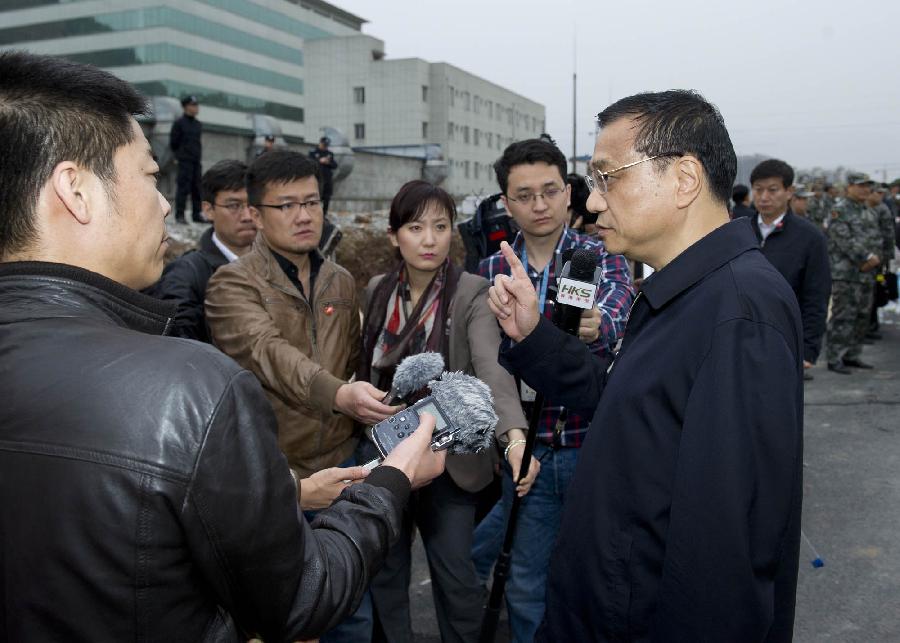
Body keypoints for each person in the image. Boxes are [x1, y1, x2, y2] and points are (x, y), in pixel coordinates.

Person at [0, 50, 445, 642]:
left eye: (313, 202)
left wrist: (293, 489)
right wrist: (392, 478)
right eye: (150, 175)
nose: (164, 203)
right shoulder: (187, 385)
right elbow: (300, 600)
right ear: (76, 191)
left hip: (317, 469)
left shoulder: (339, 279)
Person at [488, 90, 803, 641]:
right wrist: (535, 337)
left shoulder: (738, 310)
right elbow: (624, 406)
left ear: (683, 179)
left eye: (609, 177)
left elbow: (723, 552)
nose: (591, 202)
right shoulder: (683, 290)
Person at [204, 148, 395, 641]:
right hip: (274, 478)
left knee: (351, 608)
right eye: (286, 205)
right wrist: (341, 395)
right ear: (256, 213)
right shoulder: (231, 284)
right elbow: (267, 354)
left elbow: (354, 361)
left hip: (342, 466)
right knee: (279, 618)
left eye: (311, 202)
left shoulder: (341, 279)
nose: (304, 215)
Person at [473, 138, 634, 642]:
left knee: (600, 577)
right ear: (506, 201)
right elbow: (487, 364)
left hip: (592, 446)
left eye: (549, 191)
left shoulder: (599, 255)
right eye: (524, 195)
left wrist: (593, 325)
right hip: (528, 448)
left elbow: (614, 316)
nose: (539, 205)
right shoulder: (491, 271)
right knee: (524, 581)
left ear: (569, 193)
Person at [357, 180, 531, 643]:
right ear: (394, 235)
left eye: (440, 226)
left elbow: (490, 367)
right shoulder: (376, 291)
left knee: (456, 580)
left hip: (448, 461)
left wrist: (513, 436)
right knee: (385, 575)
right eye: (415, 227)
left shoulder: (470, 291)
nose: (430, 239)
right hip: (388, 454)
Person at [150, 160, 256, 342]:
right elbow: (180, 342)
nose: (247, 216)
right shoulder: (187, 274)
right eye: (234, 205)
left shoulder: (281, 263)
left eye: (253, 205)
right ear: (208, 210)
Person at [748, 160, 831, 380]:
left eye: (772, 190)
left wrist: (809, 348)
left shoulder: (809, 238)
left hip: (785, 339)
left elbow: (816, 295)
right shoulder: (739, 230)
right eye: (758, 190)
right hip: (741, 336)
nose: (764, 197)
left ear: (789, 192)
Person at [825, 172, 883, 373]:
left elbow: (877, 238)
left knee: (862, 316)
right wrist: (865, 259)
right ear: (849, 187)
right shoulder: (839, 210)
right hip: (846, 273)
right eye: (861, 185)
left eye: (867, 186)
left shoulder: (868, 211)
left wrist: (876, 259)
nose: (865, 189)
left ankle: (852, 354)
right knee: (843, 316)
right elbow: (843, 240)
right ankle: (834, 357)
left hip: (866, 273)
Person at [169, 95, 204, 223]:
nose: (196, 108)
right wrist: (179, 156)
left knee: (197, 188)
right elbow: (174, 143)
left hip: (196, 161)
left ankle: (196, 214)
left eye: (197, 105)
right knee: (183, 188)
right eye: (193, 105)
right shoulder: (179, 124)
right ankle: (180, 215)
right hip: (184, 161)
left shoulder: (198, 124)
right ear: (186, 107)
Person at [310, 135, 338, 215]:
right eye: (324, 145)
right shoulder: (313, 153)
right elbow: (309, 162)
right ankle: (314, 213)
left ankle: (324, 215)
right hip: (317, 179)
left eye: (326, 145)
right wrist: (319, 161)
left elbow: (335, 165)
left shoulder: (329, 154)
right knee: (316, 197)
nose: (325, 147)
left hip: (327, 179)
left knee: (327, 198)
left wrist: (328, 162)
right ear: (320, 143)